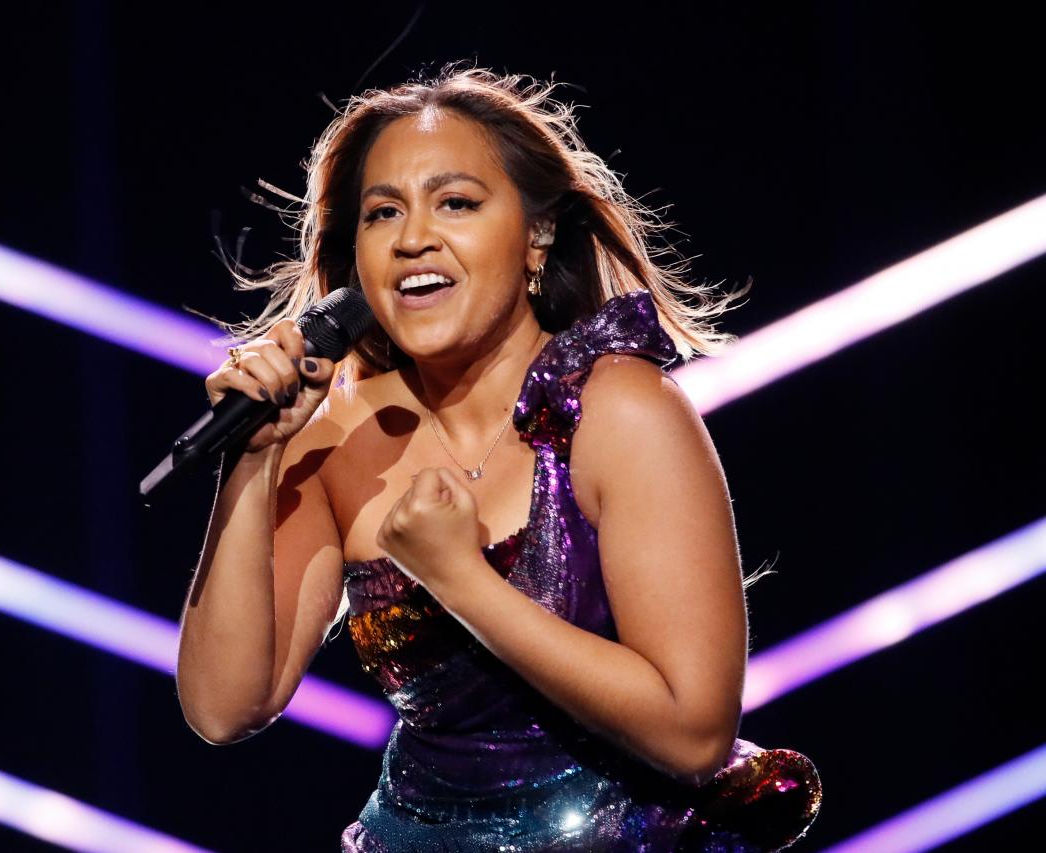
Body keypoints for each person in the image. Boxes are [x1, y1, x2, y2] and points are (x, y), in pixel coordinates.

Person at [176, 63, 822, 851]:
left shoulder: (621, 411)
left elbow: (694, 733)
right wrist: (252, 461)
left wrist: (459, 578)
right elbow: (223, 708)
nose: (413, 237)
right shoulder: (335, 435)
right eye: (383, 212)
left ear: (537, 235)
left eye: (456, 202)